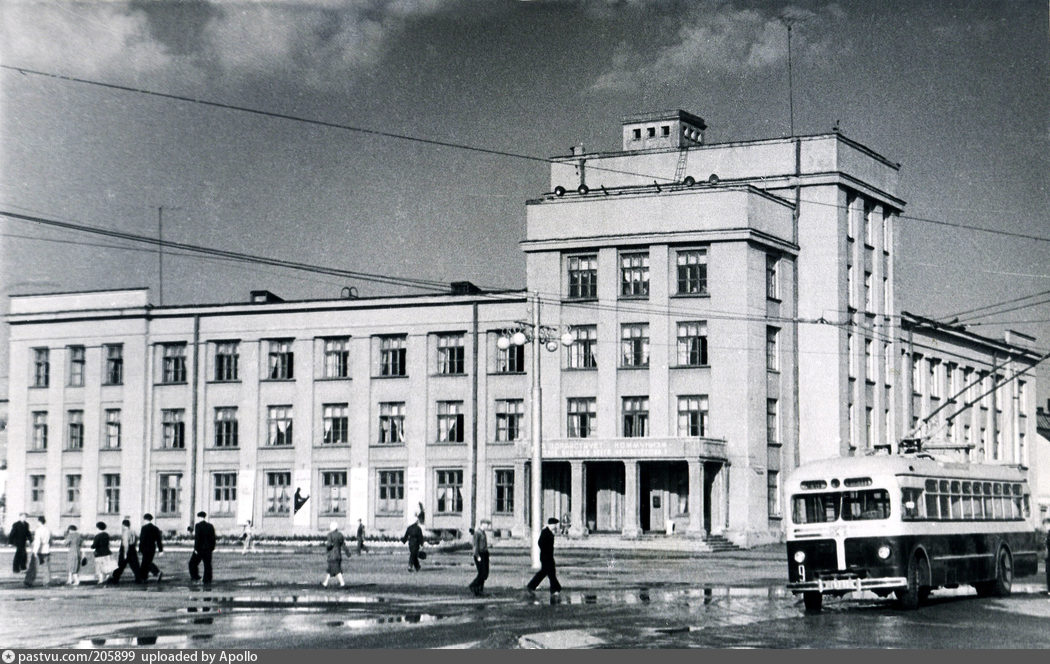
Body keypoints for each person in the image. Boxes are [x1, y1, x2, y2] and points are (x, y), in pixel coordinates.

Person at [526, 517, 562, 596]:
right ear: (552, 524)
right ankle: (555, 589)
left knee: (546, 572)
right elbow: (540, 542)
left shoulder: (548, 532)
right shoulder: (545, 532)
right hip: (546, 556)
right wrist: (546, 550)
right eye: (555, 525)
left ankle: (532, 585)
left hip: (548, 556)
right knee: (550, 573)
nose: (556, 526)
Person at [109, 517, 141, 584]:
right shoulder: (133, 532)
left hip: (126, 550)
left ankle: (115, 579)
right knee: (135, 565)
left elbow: (125, 543)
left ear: (123, 525)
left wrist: (125, 554)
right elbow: (136, 540)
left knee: (120, 565)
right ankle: (138, 578)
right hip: (132, 549)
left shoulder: (125, 533)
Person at [189, 511, 216, 584]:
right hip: (208, 549)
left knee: (192, 563)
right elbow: (213, 538)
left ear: (199, 517)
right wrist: (212, 547)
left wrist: (196, 549)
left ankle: (195, 576)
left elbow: (197, 538)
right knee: (207, 565)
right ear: (204, 517)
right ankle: (207, 579)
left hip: (200, 549)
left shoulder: (198, 525)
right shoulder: (210, 526)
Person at [322, 522, 352, 587]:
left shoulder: (330, 535)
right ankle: (325, 583)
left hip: (332, 555)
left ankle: (342, 583)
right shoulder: (340, 535)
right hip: (338, 554)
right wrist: (348, 553)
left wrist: (326, 546)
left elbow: (329, 545)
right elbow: (343, 545)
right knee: (330, 569)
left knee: (336, 570)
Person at [138, 513, 164, 583]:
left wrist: (140, 549)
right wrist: (160, 550)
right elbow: (158, 540)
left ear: (145, 519)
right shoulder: (155, 528)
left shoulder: (144, 528)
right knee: (145, 563)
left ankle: (157, 572)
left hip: (145, 548)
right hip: (152, 548)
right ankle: (144, 577)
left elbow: (142, 539)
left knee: (146, 563)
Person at [28, 516, 52, 587]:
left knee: (34, 566)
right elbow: (50, 540)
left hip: (39, 550)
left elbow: (38, 541)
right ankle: (47, 581)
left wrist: (35, 551)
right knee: (46, 567)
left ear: (39, 521)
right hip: (46, 549)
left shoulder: (38, 530)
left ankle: (29, 580)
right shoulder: (48, 530)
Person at [469, 520, 490, 596]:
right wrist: (477, 556)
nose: (488, 526)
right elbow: (475, 546)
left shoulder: (483, 533)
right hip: (480, 554)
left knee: (485, 574)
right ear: (482, 524)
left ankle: (480, 589)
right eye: (487, 524)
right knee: (482, 573)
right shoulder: (477, 533)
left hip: (485, 554)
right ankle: (473, 585)